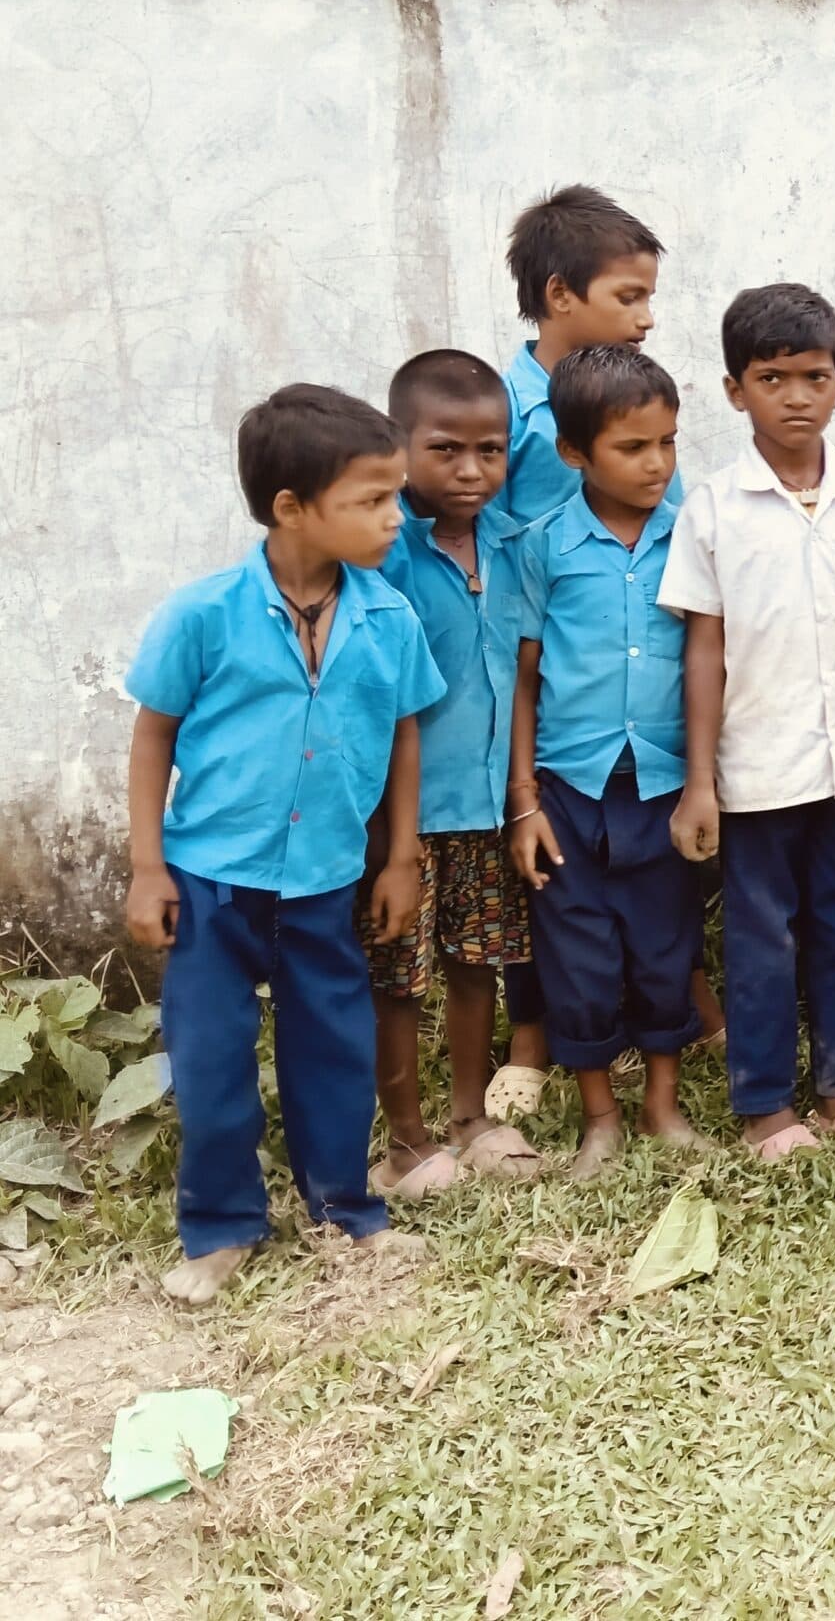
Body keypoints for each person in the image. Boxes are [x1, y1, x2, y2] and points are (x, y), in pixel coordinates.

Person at [124, 385, 445, 1305]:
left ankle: (345, 1209)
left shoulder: (388, 617)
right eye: (372, 500)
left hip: (324, 880)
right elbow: (153, 734)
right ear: (292, 510)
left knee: (333, 1047)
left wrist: (400, 857)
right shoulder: (204, 614)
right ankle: (221, 1228)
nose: (395, 517)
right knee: (213, 1055)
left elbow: (406, 732)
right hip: (210, 881)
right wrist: (148, 867)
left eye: (393, 497)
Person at [660, 284, 835, 1161]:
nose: (795, 397)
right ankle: (763, 1106)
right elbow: (703, 651)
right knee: (760, 940)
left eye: (813, 376)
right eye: (771, 378)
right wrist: (700, 779)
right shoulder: (714, 508)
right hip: (756, 772)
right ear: (735, 390)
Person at [506, 346, 704, 1178]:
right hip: (567, 789)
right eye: (632, 447)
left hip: (662, 784)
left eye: (667, 442)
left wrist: (705, 783)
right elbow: (521, 677)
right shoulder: (542, 547)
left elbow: (708, 657)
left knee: (665, 946)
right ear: (575, 453)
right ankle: (600, 1117)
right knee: (577, 954)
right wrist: (524, 801)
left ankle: (662, 1102)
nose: (656, 463)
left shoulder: (694, 541)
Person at [363, 351, 542, 1197]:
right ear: (399, 447)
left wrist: (519, 800)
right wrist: (393, 843)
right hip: (399, 815)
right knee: (398, 973)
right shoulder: (384, 554)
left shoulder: (514, 546)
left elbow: (522, 679)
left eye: (492, 449)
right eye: (445, 450)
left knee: (480, 963)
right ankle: (406, 1141)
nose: (472, 471)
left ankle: (471, 1117)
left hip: (485, 806)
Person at [498, 184, 664, 527]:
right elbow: (487, 543)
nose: (647, 319)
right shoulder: (501, 415)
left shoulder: (643, 402)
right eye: (628, 298)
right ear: (560, 294)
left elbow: (672, 524)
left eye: (648, 299)